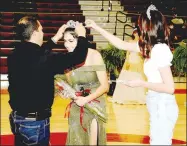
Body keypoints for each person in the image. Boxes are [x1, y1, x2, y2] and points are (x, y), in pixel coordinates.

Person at [85, 4, 179, 145]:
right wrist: (97, 27)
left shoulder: (160, 50)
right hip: (156, 101)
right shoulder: (150, 46)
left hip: (163, 104)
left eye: (140, 25)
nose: (138, 28)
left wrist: (141, 83)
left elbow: (170, 88)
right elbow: (121, 45)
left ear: (148, 27)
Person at [7, 16, 89, 146]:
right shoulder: (45, 58)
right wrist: (83, 36)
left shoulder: (13, 55)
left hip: (17, 118)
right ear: (34, 33)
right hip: (35, 123)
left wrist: (56, 38)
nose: (43, 33)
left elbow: (37, 53)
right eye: (41, 30)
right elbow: (78, 57)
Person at [58, 26, 109, 145]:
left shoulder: (94, 55)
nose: (66, 45)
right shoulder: (69, 58)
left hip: (95, 104)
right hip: (77, 104)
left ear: (80, 40)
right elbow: (69, 84)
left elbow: (105, 86)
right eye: (65, 41)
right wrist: (66, 92)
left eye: (70, 41)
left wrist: (86, 99)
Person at [110, 28, 147, 104]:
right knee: (127, 76)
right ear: (133, 34)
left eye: (137, 33)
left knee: (138, 77)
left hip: (138, 60)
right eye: (135, 33)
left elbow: (143, 52)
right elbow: (127, 53)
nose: (136, 34)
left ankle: (138, 97)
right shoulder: (130, 41)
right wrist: (127, 61)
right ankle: (125, 96)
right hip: (131, 59)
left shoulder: (141, 42)